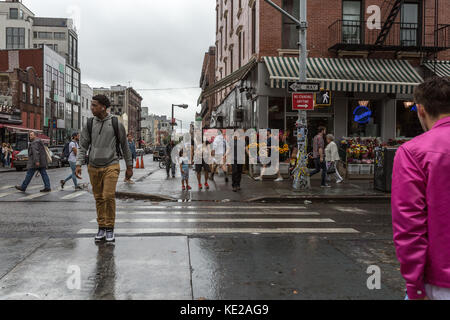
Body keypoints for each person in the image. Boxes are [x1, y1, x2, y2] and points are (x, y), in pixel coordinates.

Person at [392, 77, 450, 300]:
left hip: (439, 284)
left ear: (421, 110)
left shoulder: (412, 152)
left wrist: (415, 287)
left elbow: (409, 226)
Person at [75, 95, 133, 243]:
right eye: (92, 105)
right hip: (93, 166)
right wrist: (78, 164)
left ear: (103, 107)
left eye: (94, 105)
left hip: (111, 164)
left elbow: (124, 146)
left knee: (108, 196)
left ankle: (109, 228)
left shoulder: (115, 123)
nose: (91, 107)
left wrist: (129, 166)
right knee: (99, 198)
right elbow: (83, 146)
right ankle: (101, 226)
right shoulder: (89, 124)